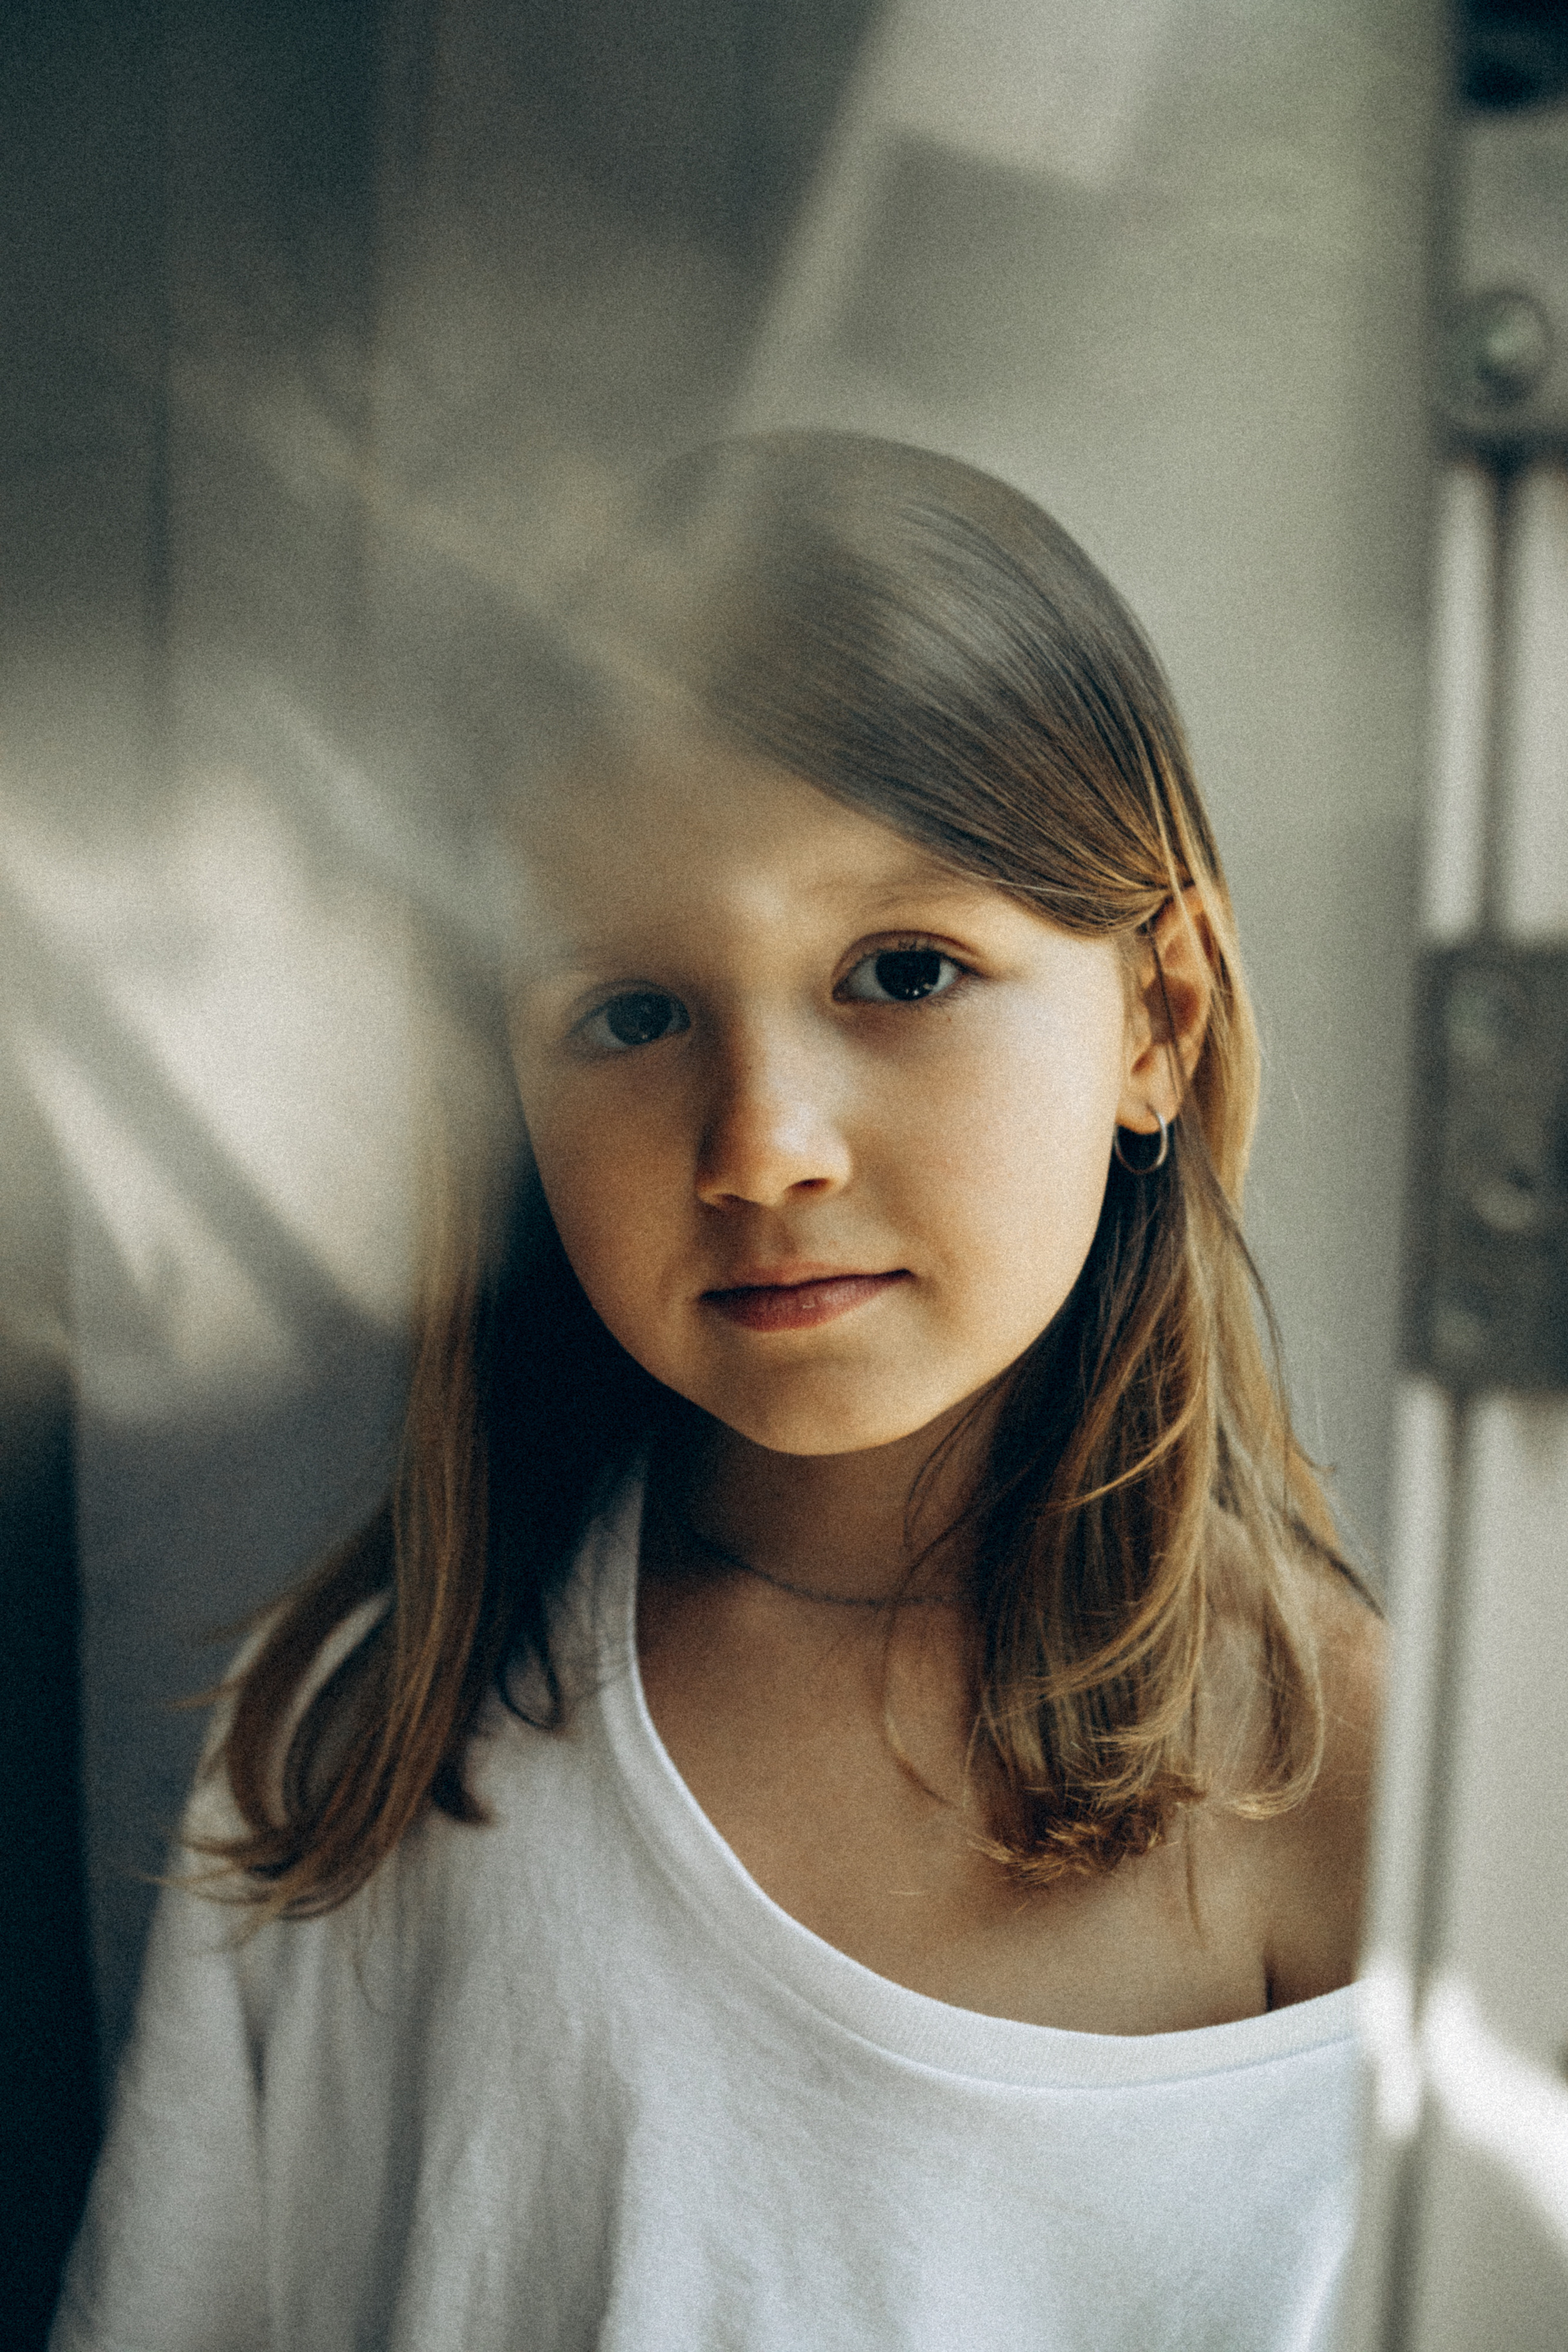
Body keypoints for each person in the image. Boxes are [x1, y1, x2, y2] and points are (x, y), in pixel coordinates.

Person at [51, 433, 1383, 2352]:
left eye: (902, 970)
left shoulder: (1375, 1801)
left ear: (1158, 1020)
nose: (760, 1148)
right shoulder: (358, 1749)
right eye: (633, 1013)